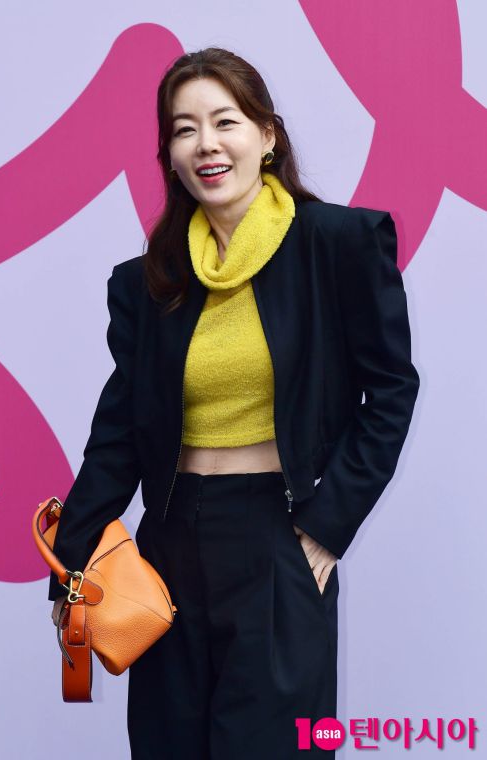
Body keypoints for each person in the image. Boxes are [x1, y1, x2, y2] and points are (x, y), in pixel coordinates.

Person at [49, 47, 420, 759]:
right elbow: (121, 430)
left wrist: (325, 529)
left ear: (267, 134)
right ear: (170, 155)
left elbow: (392, 389)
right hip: (168, 544)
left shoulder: (338, 244)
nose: (206, 144)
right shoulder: (146, 281)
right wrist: (70, 561)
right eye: (184, 130)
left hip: (279, 536)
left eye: (226, 122)